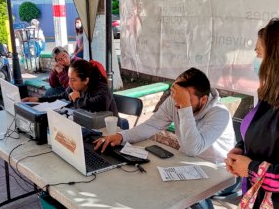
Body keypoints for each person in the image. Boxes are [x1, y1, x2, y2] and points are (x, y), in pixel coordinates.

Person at [95, 67, 235, 164]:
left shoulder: (220, 114)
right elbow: (152, 125)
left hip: (217, 171)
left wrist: (184, 106)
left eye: (186, 98)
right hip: (186, 163)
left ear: (203, 99)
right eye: (178, 96)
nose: (177, 103)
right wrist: (122, 136)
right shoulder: (176, 100)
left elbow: (193, 149)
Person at [225, 18, 279, 208]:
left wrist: (249, 168)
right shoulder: (269, 95)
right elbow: (262, 134)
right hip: (255, 196)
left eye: (259, 54)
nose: (256, 62)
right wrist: (242, 148)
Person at [23, 59, 118, 116]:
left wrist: (77, 100)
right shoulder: (74, 87)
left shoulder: (101, 87)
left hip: (110, 132)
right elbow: (60, 97)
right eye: (69, 79)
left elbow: (100, 105)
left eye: (73, 80)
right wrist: (37, 99)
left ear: (86, 80)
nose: (70, 83)